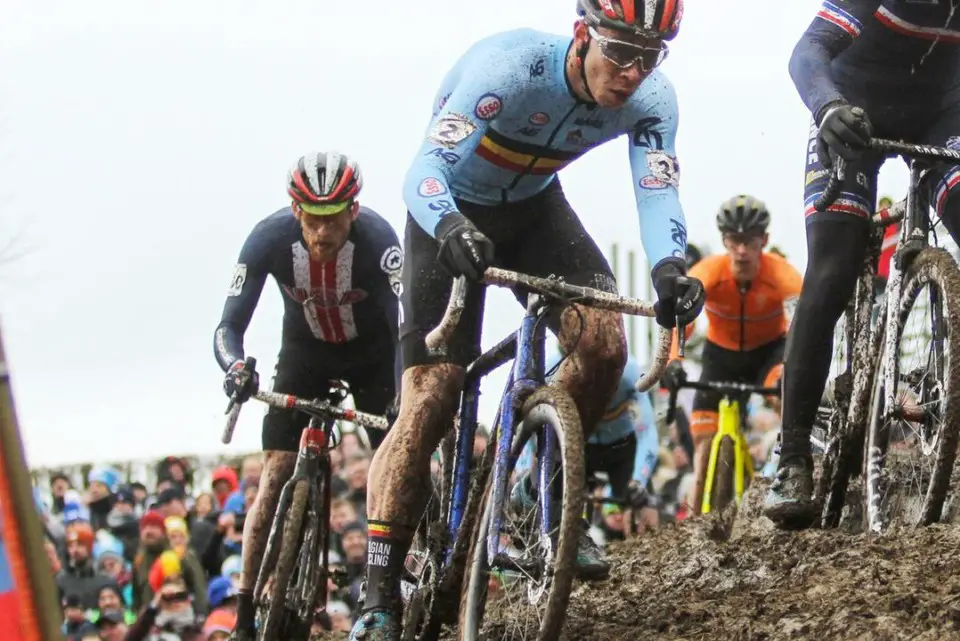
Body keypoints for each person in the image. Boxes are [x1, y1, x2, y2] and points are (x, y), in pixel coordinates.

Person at [351, 0, 705, 637]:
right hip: (449, 212)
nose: (631, 71)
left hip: (536, 209)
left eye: (648, 56)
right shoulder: (509, 70)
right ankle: (378, 596)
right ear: (581, 35)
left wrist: (670, 268)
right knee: (432, 396)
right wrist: (453, 225)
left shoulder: (653, 97)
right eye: (619, 50)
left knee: (603, 346)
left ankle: (539, 499)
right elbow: (422, 172)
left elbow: (657, 186)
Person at [768, 0, 960, 527]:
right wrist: (828, 108)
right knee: (833, 269)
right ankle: (793, 458)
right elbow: (808, 51)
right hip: (850, 105)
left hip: (940, 109)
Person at [212, 151, 403, 639]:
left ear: (353, 211)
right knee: (274, 471)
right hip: (304, 355)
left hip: (374, 357)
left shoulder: (380, 242)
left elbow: (408, 322)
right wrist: (236, 367)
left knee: (394, 460)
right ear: (296, 211)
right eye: (313, 221)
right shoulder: (267, 239)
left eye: (333, 220)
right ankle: (245, 610)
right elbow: (228, 325)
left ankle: (395, 577)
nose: (322, 234)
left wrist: (405, 391)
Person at [661, 195, 802, 511]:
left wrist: (793, 370)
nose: (741, 250)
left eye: (750, 241)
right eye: (734, 240)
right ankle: (697, 519)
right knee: (702, 443)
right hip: (720, 357)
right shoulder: (707, 272)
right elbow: (683, 324)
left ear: (763, 241)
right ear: (724, 240)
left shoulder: (783, 275)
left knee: (786, 391)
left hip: (769, 353)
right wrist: (674, 362)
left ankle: (793, 462)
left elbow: (801, 327)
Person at [510, 340, 661, 575]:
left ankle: (652, 563)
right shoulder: (553, 369)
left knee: (642, 502)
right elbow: (532, 429)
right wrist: (523, 469)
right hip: (580, 447)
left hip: (622, 449)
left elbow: (648, 433)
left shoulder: (629, 371)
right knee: (555, 482)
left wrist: (639, 481)